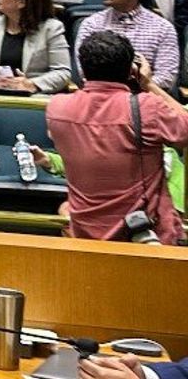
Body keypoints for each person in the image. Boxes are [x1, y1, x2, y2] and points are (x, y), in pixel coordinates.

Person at [45, 29, 188, 244]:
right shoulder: (147, 108)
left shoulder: (57, 108)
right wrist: (149, 84)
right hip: (145, 236)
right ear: (130, 70)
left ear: (82, 69)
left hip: (85, 234)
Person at [73, 0, 179, 94]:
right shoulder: (91, 25)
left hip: (145, 103)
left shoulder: (163, 28)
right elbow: (84, 73)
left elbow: (166, 79)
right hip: (100, 101)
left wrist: (130, 92)